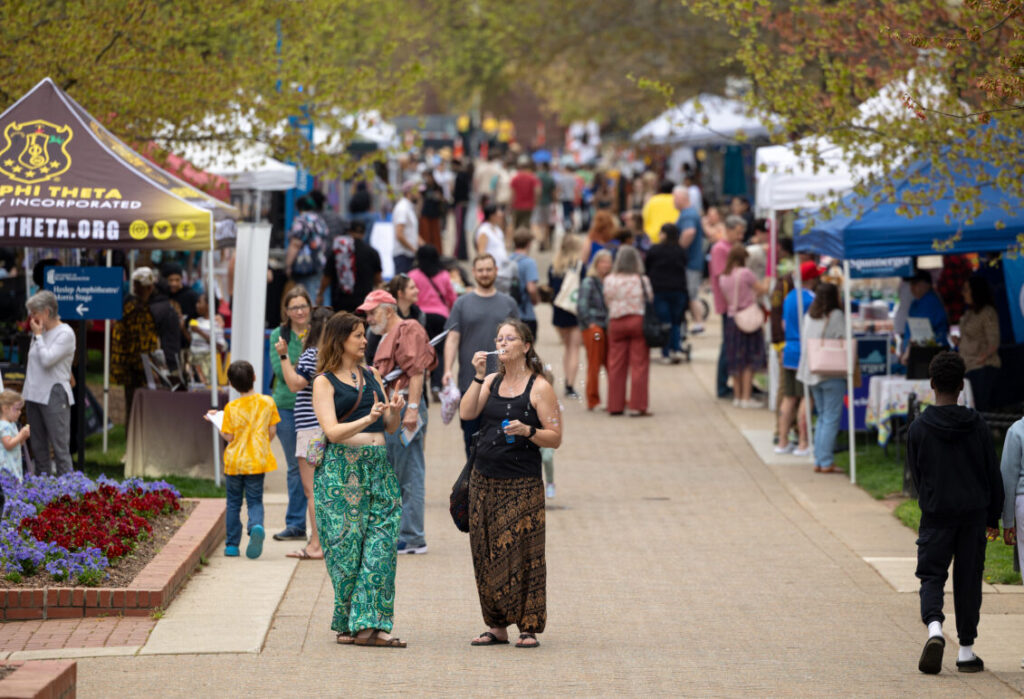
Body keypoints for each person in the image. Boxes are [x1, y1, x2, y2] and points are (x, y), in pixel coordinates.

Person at [459, 319, 562, 649]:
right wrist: (476, 376)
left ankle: (528, 626)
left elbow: (555, 438)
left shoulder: (540, 387)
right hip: (484, 481)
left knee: (524, 555)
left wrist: (528, 431)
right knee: (486, 554)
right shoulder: (489, 380)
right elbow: (466, 412)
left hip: (522, 485)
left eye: (510, 338)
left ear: (525, 346)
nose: (502, 342)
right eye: (498, 337)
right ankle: (496, 625)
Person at [311, 311, 407, 647]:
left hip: (379, 468)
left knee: (381, 547)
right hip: (341, 474)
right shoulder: (323, 382)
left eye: (364, 334)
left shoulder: (373, 375)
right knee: (347, 553)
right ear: (340, 340)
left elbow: (390, 428)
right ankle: (352, 625)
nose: (365, 340)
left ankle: (370, 624)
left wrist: (394, 410)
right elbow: (333, 432)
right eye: (357, 335)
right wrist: (367, 418)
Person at [908, 351, 1002, 675]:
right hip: (973, 515)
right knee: (968, 580)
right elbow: (992, 473)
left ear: (931, 384)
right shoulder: (977, 425)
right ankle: (966, 651)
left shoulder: (919, 428)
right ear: (962, 386)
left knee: (931, 575)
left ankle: (935, 628)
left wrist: (930, 500)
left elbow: (916, 477)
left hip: (936, 515)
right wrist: (994, 516)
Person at [363, 290, 437, 555]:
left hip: (405, 406)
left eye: (373, 312)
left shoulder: (408, 328)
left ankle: (413, 537)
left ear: (389, 310)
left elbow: (416, 372)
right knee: (399, 474)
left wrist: (413, 410)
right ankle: (407, 534)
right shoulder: (389, 333)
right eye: (368, 313)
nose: (369, 318)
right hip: (396, 407)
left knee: (410, 475)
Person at [443, 255, 520, 457]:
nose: (485, 273)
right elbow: (452, 338)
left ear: (495, 271)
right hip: (470, 384)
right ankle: (472, 484)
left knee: (503, 444)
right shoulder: (461, 303)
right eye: (480, 270)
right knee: (472, 442)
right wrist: (447, 370)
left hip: (505, 385)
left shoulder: (509, 303)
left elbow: (520, 341)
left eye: (488, 269)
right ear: (474, 272)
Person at [274, 306, 333, 561]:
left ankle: (316, 546)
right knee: (329, 489)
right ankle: (328, 543)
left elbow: (295, 383)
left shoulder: (312, 355)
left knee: (312, 491)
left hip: (311, 430)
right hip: (331, 428)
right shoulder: (337, 356)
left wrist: (284, 356)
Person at [215, 360, 280, 559]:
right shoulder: (268, 402)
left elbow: (230, 437)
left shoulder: (231, 408)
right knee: (254, 500)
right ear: (254, 377)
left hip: (235, 462)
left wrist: (217, 422)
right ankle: (256, 526)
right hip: (257, 461)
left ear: (232, 384)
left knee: (233, 503)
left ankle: (232, 546)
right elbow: (272, 431)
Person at [270, 287, 312, 543]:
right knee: (295, 466)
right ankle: (295, 524)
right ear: (286, 311)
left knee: (314, 464)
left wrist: (296, 365)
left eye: (303, 306)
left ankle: (318, 525)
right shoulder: (278, 334)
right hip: (286, 407)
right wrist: (300, 367)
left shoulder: (318, 332)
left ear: (310, 307)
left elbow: (319, 368)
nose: (299, 311)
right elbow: (281, 372)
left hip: (313, 409)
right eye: (294, 307)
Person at [22, 290, 76, 476]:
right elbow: (34, 364)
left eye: (34, 313)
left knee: (60, 447)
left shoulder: (65, 333)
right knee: (38, 447)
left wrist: (37, 336)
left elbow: (47, 360)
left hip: (54, 393)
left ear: (46, 312)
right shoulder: (40, 331)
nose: (32, 318)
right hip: (34, 394)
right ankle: (42, 490)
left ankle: (69, 491)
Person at [796, 282, 846, 472]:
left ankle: (819, 458)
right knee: (831, 417)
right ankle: (825, 460)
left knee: (823, 416)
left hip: (812, 370)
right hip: (831, 371)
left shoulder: (809, 315)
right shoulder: (836, 315)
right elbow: (843, 338)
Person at [777, 261, 821, 456]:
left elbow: (784, 323)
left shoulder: (789, 297)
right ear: (811, 278)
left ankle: (782, 441)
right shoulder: (812, 298)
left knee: (789, 398)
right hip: (805, 351)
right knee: (806, 396)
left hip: (789, 349)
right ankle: (803, 442)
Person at [602, 246, 652, 417]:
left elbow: (607, 299)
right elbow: (649, 298)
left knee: (615, 364)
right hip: (637, 321)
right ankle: (637, 406)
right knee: (639, 365)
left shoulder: (609, 279)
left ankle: (615, 405)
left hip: (616, 321)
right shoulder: (642, 279)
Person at [719, 244, 770, 408]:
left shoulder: (723, 277)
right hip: (748, 318)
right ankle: (747, 397)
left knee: (736, 359)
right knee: (748, 359)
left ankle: (737, 395)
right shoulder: (746, 273)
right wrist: (768, 278)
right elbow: (762, 289)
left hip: (732, 318)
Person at [408, 245, 457, 395]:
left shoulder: (413, 275)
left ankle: (420, 384)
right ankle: (436, 385)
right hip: (441, 317)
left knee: (422, 351)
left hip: (420, 318)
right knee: (440, 352)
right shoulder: (443, 275)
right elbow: (451, 298)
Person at [112, 268, 159, 422]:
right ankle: (134, 440)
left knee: (134, 406)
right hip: (136, 368)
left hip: (133, 366)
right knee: (135, 407)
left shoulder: (128, 305)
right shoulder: (136, 308)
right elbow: (138, 342)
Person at [710, 216, 747, 399]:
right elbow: (722, 277)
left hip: (735, 303)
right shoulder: (720, 249)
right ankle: (722, 385)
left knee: (733, 344)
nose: (740, 236)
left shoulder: (731, 248)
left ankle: (735, 383)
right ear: (729, 230)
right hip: (728, 304)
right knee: (728, 344)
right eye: (738, 232)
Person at [645, 223, 690, 365]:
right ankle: (675, 349)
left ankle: (665, 352)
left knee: (665, 322)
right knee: (676, 322)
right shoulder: (680, 251)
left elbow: (647, 268)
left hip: (660, 290)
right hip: (678, 290)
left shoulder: (654, 250)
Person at [954, 276, 1000, 411]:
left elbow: (994, 340)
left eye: (966, 290)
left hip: (982, 368)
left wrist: (984, 357)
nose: (964, 293)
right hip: (967, 366)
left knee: (980, 408)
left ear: (976, 291)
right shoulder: (968, 313)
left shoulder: (987, 312)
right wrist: (959, 341)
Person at [319, 220, 382, 314]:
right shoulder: (372, 252)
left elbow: (327, 277)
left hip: (340, 301)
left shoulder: (338, 251)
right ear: (364, 233)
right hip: (364, 302)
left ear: (350, 232)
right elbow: (378, 279)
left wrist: (320, 293)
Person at [548, 235, 584, 398]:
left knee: (567, 347)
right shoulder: (580, 267)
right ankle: (570, 384)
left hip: (559, 309)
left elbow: (551, 289)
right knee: (574, 349)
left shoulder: (554, 267)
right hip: (575, 309)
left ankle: (566, 380)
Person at [577, 249, 612, 411]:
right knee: (594, 363)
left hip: (608, 327)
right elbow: (582, 306)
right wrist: (589, 323)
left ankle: (615, 398)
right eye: (602, 262)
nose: (606, 265)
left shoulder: (611, 282)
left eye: (608, 262)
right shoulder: (589, 282)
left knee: (612, 364)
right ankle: (593, 399)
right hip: (594, 328)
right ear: (596, 264)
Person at [285, 194, 329, 299]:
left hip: (304, 266)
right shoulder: (320, 220)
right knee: (315, 293)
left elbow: (295, 244)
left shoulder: (301, 221)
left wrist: (288, 265)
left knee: (305, 297)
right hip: (319, 264)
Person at [675, 187, 705, 334]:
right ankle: (698, 322)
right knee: (692, 293)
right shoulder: (690, 213)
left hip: (690, 263)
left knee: (691, 294)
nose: (673, 202)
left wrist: (678, 250)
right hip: (692, 261)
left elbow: (689, 232)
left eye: (675, 198)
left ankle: (699, 323)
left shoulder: (687, 215)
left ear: (682, 198)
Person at [901, 270, 950, 358]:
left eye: (915, 283)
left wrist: (908, 350)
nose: (912, 287)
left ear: (926, 284)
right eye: (911, 284)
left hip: (930, 355)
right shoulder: (915, 303)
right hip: (918, 355)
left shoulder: (930, 302)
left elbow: (921, 334)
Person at [187, 293, 226, 385]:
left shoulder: (216, 324)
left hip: (207, 363)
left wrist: (200, 332)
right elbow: (192, 341)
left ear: (208, 305)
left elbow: (220, 347)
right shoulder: (197, 321)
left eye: (199, 302)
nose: (197, 305)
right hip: (194, 362)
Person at [509, 228, 541, 339]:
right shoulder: (529, 262)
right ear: (529, 243)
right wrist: (535, 300)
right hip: (525, 312)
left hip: (509, 312)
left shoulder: (508, 260)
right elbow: (531, 288)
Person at [392, 178, 423, 275]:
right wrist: (414, 249)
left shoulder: (409, 208)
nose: (419, 194)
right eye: (417, 192)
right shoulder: (403, 208)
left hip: (408, 255)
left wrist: (423, 246)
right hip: (403, 255)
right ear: (409, 193)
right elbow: (399, 234)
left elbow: (411, 232)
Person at [0, 390, 29, 480]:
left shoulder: (12, 424)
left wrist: (23, 438)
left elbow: (16, 444)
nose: (20, 412)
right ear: (5, 408)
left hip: (13, 462)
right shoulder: (4, 425)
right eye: (17, 409)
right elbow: (8, 445)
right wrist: (20, 435)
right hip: (6, 465)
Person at [509, 158, 540, 234]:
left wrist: (510, 204)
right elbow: (538, 191)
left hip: (516, 205)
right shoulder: (533, 178)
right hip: (529, 205)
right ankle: (525, 242)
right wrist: (536, 201)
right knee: (526, 225)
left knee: (516, 225)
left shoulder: (515, 178)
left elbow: (512, 193)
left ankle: (517, 241)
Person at [419, 171, 445, 251]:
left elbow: (442, 199)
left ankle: (436, 252)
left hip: (435, 214)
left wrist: (438, 197)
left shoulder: (438, 187)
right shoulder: (424, 187)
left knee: (435, 235)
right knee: (426, 235)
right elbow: (420, 198)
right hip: (425, 213)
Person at [535, 162, 556, 250]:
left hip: (538, 203)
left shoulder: (537, 177)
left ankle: (540, 239)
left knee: (539, 223)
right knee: (547, 223)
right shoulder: (550, 178)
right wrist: (554, 204)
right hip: (548, 202)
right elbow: (553, 193)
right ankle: (545, 241)